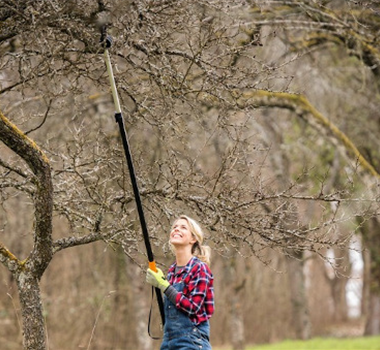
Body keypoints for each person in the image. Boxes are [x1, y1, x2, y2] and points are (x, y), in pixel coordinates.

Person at [146, 215, 214, 350]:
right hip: (168, 342)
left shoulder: (199, 268)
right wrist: (163, 283)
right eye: (174, 227)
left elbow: (194, 307)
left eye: (183, 227)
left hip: (192, 341)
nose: (176, 229)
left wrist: (164, 286)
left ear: (193, 239)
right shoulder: (172, 271)